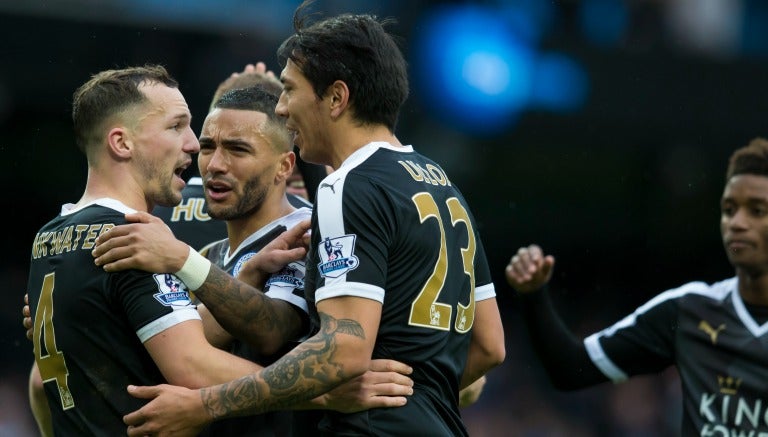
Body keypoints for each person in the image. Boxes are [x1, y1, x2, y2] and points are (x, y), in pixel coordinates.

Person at [91, 2, 506, 435]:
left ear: (336, 98)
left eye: (289, 90)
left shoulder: (347, 185)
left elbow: (343, 350)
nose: (283, 109)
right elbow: (490, 346)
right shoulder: (442, 185)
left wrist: (206, 403)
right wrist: (414, 400)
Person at [505, 137, 768, 435]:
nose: (737, 223)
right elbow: (570, 369)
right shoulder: (689, 310)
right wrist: (533, 294)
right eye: (730, 209)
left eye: (756, 211)